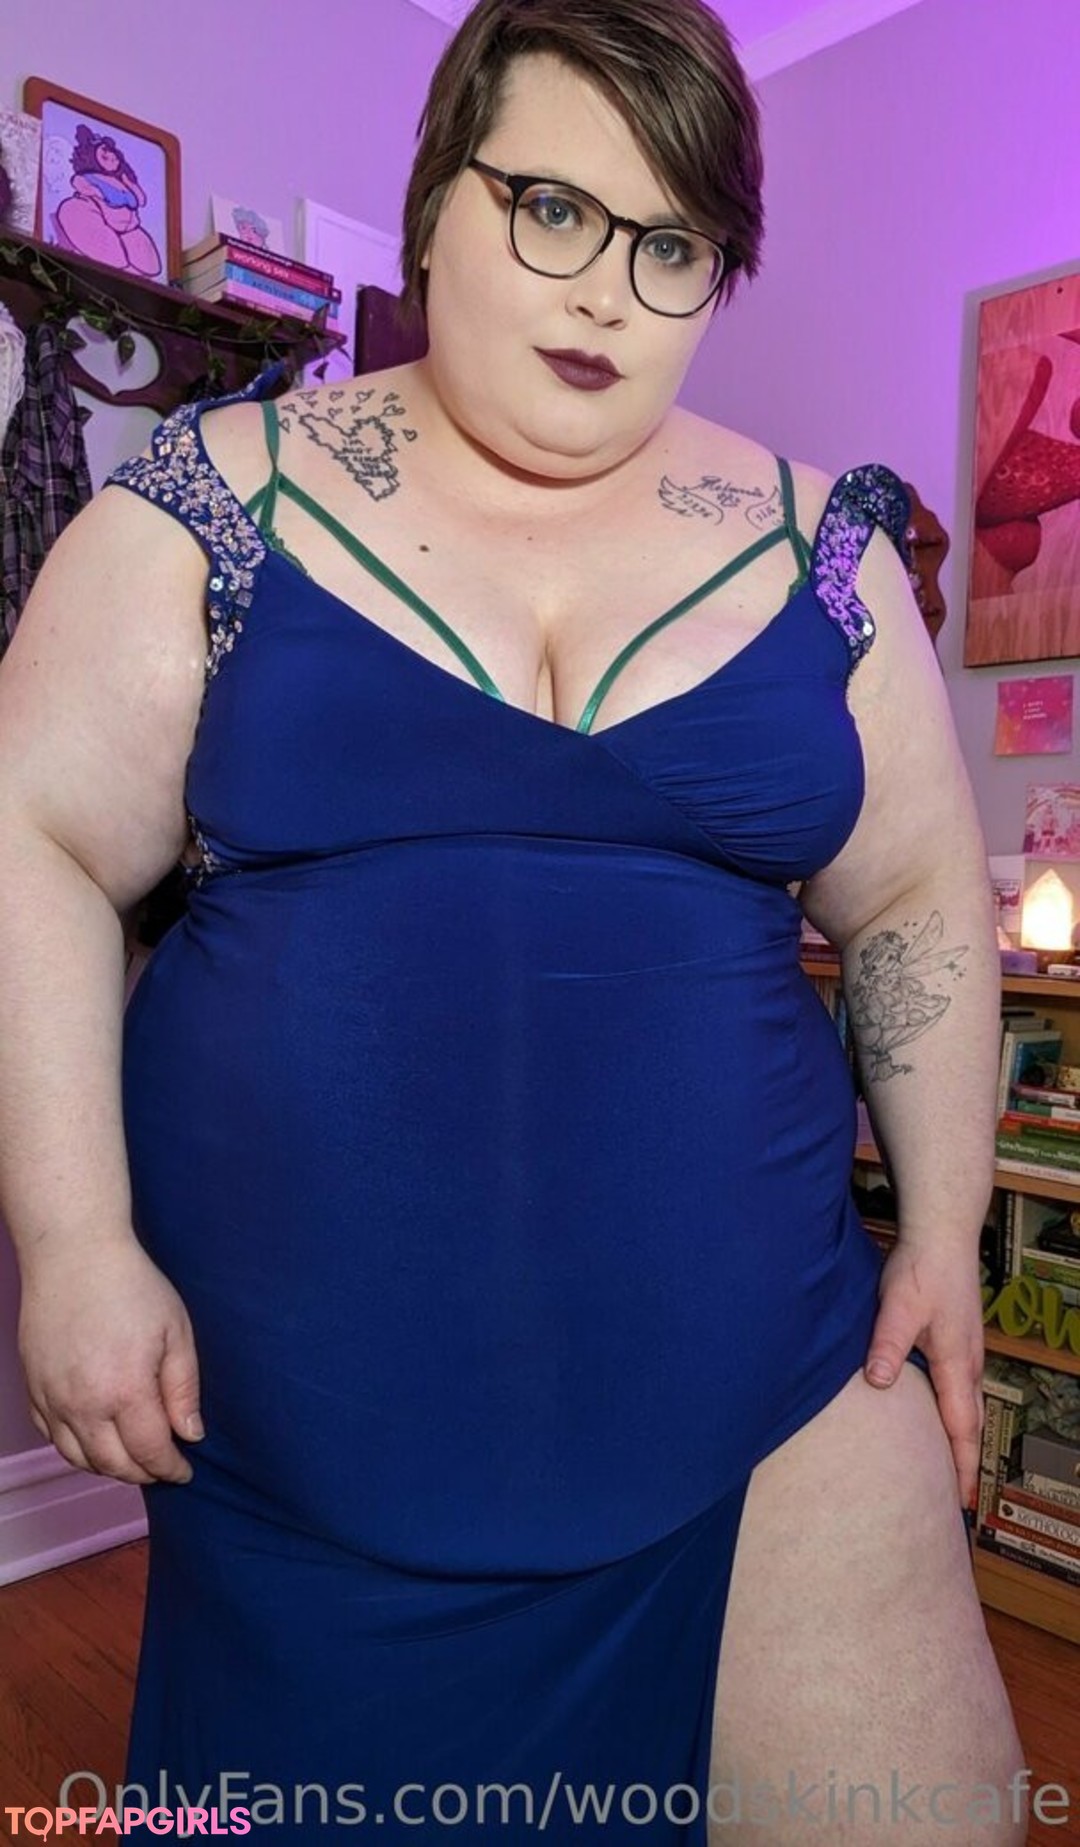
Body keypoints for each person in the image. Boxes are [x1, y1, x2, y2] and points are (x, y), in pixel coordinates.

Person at [0, 2, 1027, 1841]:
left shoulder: (824, 554)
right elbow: (35, 843)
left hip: (776, 1399)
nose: (606, 293)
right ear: (432, 205)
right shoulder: (214, 505)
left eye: (671, 246)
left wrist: (945, 1231)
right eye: (551, 208)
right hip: (304, 1455)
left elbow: (913, 899)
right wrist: (72, 1241)